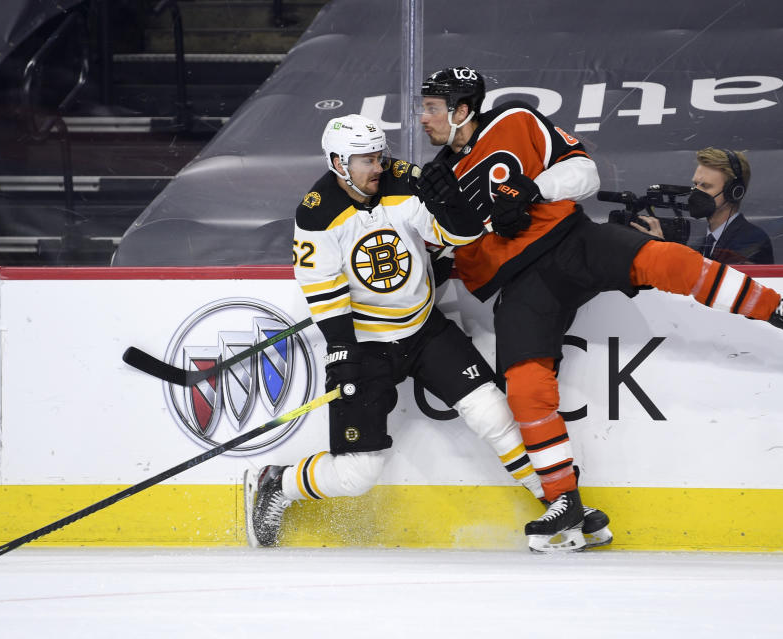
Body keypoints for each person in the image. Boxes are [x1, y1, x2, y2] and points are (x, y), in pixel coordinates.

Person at [416, 66, 783, 553]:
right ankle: (565, 505)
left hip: (574, 241)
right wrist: (457, 227)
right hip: (520, 285)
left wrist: (534, 191)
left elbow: (584, 173)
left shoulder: (517, 120)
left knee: (669, 261)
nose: (424, 118)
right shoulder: (434, 184)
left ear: (462, 109)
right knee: (527, 389)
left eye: (432, 107)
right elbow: (444, 253)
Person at [243, 113, 612, 549]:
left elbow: (455, 236)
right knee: (356, 475)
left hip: (423, 329)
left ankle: (558, 504)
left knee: (493, 412)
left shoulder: (403, 180)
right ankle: (275, 484)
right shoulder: (317, 214)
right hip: (368, 347)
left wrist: (453, 206)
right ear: (339, 163)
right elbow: (325, 294)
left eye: (380, 155)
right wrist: (342, 353)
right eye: (366, 160)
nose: (379, 166)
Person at [636, 147, 773, 264]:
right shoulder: (700, 245)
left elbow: (716, 283)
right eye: (695, 185)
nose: (696, 193)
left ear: (734, 192)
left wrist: (664, 253)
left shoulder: (752, 241)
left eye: (706, 186)